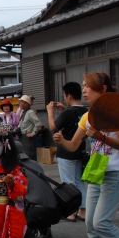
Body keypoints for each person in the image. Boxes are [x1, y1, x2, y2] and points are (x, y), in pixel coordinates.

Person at [53, 72, 119, 238]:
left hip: (115, 175)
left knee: (102, 223)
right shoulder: (86, 117)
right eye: (82, 86)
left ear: (104, 89)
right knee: (91, 222)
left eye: (88, 86)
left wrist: (101, 137)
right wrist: (62, 140)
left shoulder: (118, 112)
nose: (84, 90)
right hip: (95, 175)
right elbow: (73, 145)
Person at [46, 82, 87, 222]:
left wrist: (50, 111)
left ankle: (70, 212)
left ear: (68, 96)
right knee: (78, 181)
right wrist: (64, 110)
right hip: (79, 150)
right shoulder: (85, 111)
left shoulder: (69, 112)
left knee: (67, 182)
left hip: (66, 150)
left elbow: (53, 126)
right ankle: (83, 210)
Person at [15, 141, 60, 238]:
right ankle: (44, 229)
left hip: (37, 212)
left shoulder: (15, 168)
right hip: (55, 211)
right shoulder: (34, 164)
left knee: (13, 200)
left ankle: (33, 231)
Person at [16, 95, 41, 161]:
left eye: (22, 102)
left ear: (27, 104)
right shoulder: (23, 112)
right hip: (22, 136)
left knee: (29, 155)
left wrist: (33, 133)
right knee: (24, 155)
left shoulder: (30, 112)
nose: (20, 104)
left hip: (28, 138)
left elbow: (38, 124)